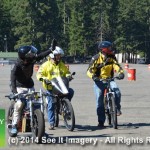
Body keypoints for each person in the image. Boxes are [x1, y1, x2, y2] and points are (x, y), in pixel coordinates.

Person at [10, 40, 56, 135]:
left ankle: (40, 129)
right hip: (20, 87)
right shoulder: (17, 65)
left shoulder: (31, 60)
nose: (33, 54)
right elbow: (13, 77)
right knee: (19, 105)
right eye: (30, 53)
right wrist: (14, 92)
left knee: (36, 105)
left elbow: (41, 55)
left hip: (30, 85)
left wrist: (50, 50)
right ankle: (14, 125)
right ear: (25, 56)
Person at [87, 41, 124, 127]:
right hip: (99, 81)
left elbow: (117, 66)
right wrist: (93, 77)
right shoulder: (95, 58)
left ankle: (117, 108)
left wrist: (120, 72)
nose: (111, 49)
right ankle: (101, 121)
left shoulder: (112, 57)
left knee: (117, 92)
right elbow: (89, 70)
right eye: (109, 48)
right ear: (104, 50)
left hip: (110, 79)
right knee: (99, 102)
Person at [36, 46, 74, 130]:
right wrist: (44, 79)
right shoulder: (45, 65)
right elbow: (39, 75)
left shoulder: (61, 64)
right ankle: (51, 123)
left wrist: (69, 76)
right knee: (51, 105)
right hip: (51, 88)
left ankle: (66, 106)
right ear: (52, 55)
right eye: (58, 55)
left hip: (61, 87)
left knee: (71, 91)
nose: (59, 57)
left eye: (60, 55)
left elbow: (66, 73)